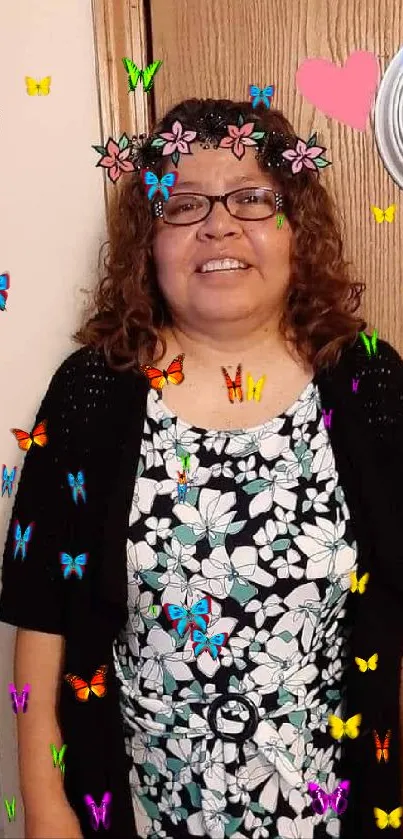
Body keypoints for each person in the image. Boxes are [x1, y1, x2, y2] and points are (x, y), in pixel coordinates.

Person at [1, 97, 403, 839]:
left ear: (296, 227)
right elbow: (39, 621)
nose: (219, 225)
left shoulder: (369, 386)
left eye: (252, 197)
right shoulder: (91, 393)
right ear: (147, 240)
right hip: (139, 819)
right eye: (183, 205)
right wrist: (44, 807)